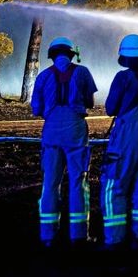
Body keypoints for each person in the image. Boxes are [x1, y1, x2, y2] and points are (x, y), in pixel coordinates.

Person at [30, 36, 97, 249]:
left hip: (51, 129)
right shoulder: (83, 72)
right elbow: (90, 102)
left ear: (51, 55)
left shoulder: (42, 77)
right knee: (79, 181)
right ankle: (79, 235)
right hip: (76, 127)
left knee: (50, 182)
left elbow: (36, 109)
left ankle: (48, 235)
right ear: (72, 54)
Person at [100, 34, 138, 251]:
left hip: (128, 131)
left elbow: (110, 109)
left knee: (113, 183)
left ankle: (114, 239)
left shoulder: (122, 78)